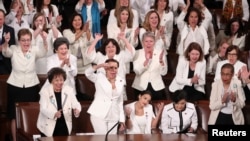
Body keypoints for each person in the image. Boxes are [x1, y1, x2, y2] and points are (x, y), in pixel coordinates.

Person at [2, 28, 47, 141]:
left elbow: (44, 52)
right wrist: (6, 42)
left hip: (31, 86)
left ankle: (31, 138)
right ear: (19, 41)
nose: (26, 43)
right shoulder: (13, 49)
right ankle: (14, 139)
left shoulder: (34, 50)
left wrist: (45, 40)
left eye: (28, 40)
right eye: (23, 40)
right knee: (14, 115)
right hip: (15, 86)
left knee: (31, 113)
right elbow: (5, 52)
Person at [86, 33, 134, 100]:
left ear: (116, 48)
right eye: (108, 47)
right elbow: (89, 55)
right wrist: (96, 40)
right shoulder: (100, 56)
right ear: (105, 49)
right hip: (103, 90)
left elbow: (130, 54)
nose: (111, 49)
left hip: (118, 89)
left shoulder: (121, 55)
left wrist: (124, 39)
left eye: (113, 46)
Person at [85, 59, 126, 134]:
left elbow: (120, 101)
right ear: (105, 68)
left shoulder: (121, 81)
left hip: (114, 115)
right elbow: (87, 73)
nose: (113, 70)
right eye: (111, 67)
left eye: (115, 68)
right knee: (102, 138)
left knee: (112, 139)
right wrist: (99, 66)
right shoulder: (99, 78)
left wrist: (122, 119)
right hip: (99, 114)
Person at [37, 67, 81, 137]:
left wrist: (77, 110)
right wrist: (54, 114)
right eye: (56, 80)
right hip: (48, 125)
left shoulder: (68, 90)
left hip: (64, 125)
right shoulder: (45, 92)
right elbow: (43, 109)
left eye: (61, 80)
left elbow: (76, 104)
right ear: (51, 81)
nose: (59, 82)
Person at [132, 31, 168, 100]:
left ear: (154, 42)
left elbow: (164, 73)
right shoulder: (137, 53)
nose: (148, 44)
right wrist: (146, 63)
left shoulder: (160, 53)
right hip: (140, 87)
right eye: (146, 41)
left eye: (151, 41)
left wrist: (161, 62)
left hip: (157, 87)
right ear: (142, 42)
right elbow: (137, 71)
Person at [0, 9, 16, 74]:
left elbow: (12, 47)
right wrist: (4, 46)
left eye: (0, 19)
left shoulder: (10, 30)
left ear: (4, 19)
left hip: (6, 65)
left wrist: (3, 47)